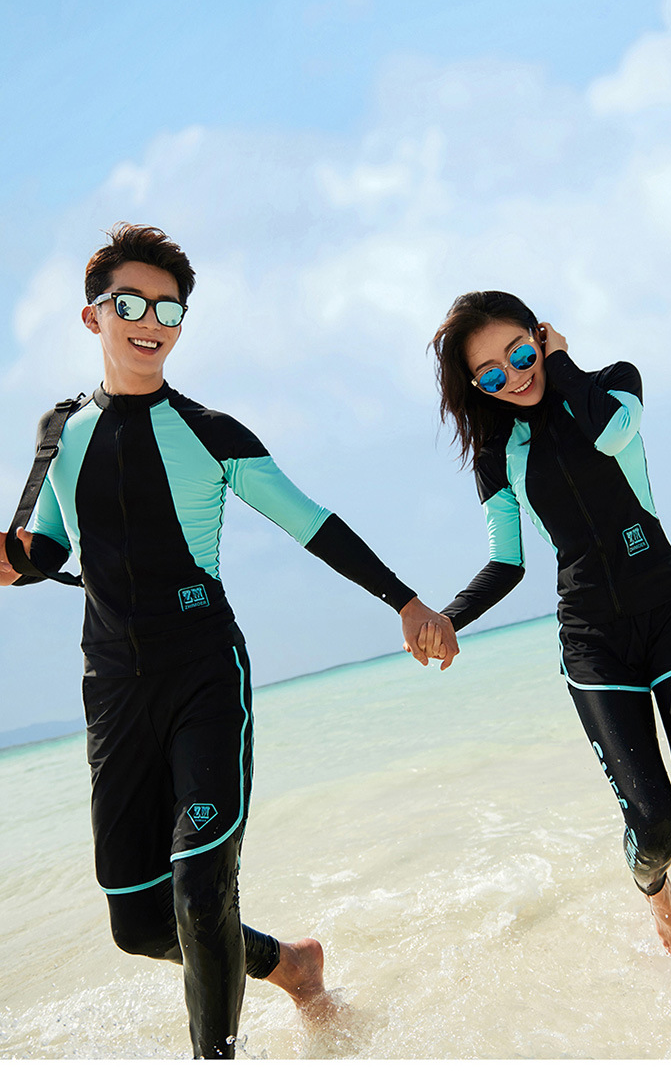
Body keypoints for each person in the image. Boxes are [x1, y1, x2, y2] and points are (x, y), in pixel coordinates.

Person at [0, 223, 458, 1060]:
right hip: (113, 687)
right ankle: (292, 965)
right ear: (92, 316)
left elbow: (310, 522)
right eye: (131, 303)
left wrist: (405, 600)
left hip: (204, 674)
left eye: (169, 308)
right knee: (141, 922)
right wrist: (17, 561)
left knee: (199, 888)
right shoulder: (60, 431)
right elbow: (51, 546)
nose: (151, 320)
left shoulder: (209, 431)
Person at [420, 289, 671, 1029]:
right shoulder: (498, 454)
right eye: (490, 374)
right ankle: (655, 892)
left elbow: (609, 435)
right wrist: (449, 617)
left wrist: (562, 364)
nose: (513, 376)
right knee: (653, 824)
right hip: (594, 644)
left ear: (541, 337)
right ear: (476, 387)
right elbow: (508, 561)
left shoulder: (612, 386)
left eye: (520, 353)